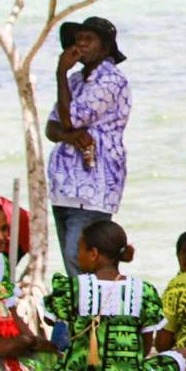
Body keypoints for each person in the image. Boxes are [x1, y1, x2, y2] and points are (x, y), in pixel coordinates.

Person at [42, 220, 183, 371]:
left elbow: (50, 319)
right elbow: (146, 348)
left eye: (80, 249)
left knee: (43, 364)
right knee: (174, 360)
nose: (77, 256)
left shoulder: (71, 288)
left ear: (93, 254)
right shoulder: (144, 290)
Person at [44, 16, 131, 277]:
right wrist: (70, 136)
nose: (80, 44)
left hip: (94, 186)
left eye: (88, 39)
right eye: (78, 39)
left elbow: (71, 118)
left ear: (105, 47)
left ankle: (93, 315)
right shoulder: (74, 81)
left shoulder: (111, 80)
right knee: (73, 262)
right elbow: (52, 127)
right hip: (64, 186)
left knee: (82, 261)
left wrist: (60, 71)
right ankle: (83, 316)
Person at [0, 201, 57, 371]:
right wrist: (29, 341)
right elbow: (0, 346)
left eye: (4, 229)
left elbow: (10, 308)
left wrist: (34, 340)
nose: (1, 236)